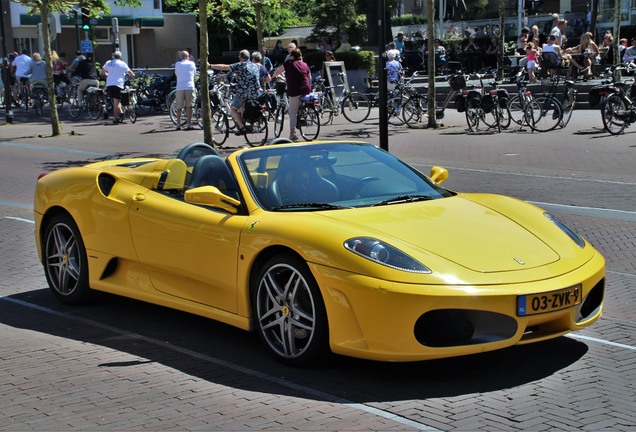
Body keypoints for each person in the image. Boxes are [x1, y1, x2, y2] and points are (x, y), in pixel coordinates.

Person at [209, 49, 261, 134]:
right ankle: (247, 122)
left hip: (243, 93)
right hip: (255, 93)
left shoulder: (239, 65)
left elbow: (223, 67)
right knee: (242, 106)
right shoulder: (255, 65)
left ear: (240, 57)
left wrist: (210, 66)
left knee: (233, 108)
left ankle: (242, 127)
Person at [272, 48, 311, 141]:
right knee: (299, 106)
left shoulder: (288, 63)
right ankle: (303, 112)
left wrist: (273, 76)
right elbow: (309, 77)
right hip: (306, 88)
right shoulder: (304, 64)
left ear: (292, 56)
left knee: (292, 112)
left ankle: (292, 134)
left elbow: (278, 71)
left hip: (295, 90)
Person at [102, 51, 135, 124]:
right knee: (116, 102)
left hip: (109, 84)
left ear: (114, 56)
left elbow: (103, 72)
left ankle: (121, 112)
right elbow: (130, 72)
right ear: (120, 57)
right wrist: (133, 75)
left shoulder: (108, 62)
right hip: (118, 84)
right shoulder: (122, 63)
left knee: (116, 100)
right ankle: (115, 118)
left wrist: (109, 76)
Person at [173, 50, 197, 130]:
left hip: (180, 87)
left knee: (179, 107)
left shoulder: (177, 64)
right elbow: (194, 74)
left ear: (181, 57)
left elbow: (176, 74)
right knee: (189, 106)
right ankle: (189, 124)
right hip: (189, 86)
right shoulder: (192, 64)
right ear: (188, 57)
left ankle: (178, 124)